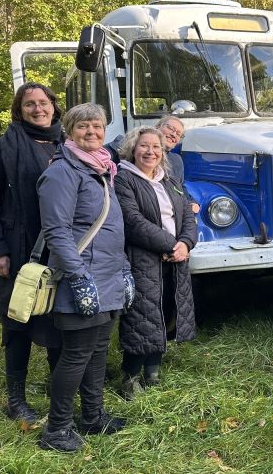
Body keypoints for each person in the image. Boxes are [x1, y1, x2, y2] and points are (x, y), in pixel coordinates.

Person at [37, 103, 132, 452]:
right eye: (83, 126)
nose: (91, 132)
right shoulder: (63, 172)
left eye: (97, 126)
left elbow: (112, 229)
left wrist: (124, 269)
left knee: (97, 351)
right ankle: (57, 430)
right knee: (77, 354)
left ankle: (93, 416)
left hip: (107, 277)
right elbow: (57, 231)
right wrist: (78, 277)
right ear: (69, 130)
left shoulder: (101, 169)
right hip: (81, 279)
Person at [0, 82, 64, 424]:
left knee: (60, 315)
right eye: (30, 104)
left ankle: (59, 388)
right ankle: (16, 399)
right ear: (19, 110)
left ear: (54, 106)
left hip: (60, 248)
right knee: (18, 320)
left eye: (43, 102)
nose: (38, 109)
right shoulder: (2, 148)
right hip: (17, 247)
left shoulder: (68, 144)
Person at [114, 126, 198, 397]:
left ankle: (152, 372)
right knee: (141, 317)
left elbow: (187, 216)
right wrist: (171, 244)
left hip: (174, 259)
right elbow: (132, 221)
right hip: (142, 260)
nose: (150, 151)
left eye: (156, 147)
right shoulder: (124, 178)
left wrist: (186, 244)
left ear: (163, 152)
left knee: (164, 312)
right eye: (144, 146)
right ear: (132, 149)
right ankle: (129, 377)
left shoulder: (169, 180)